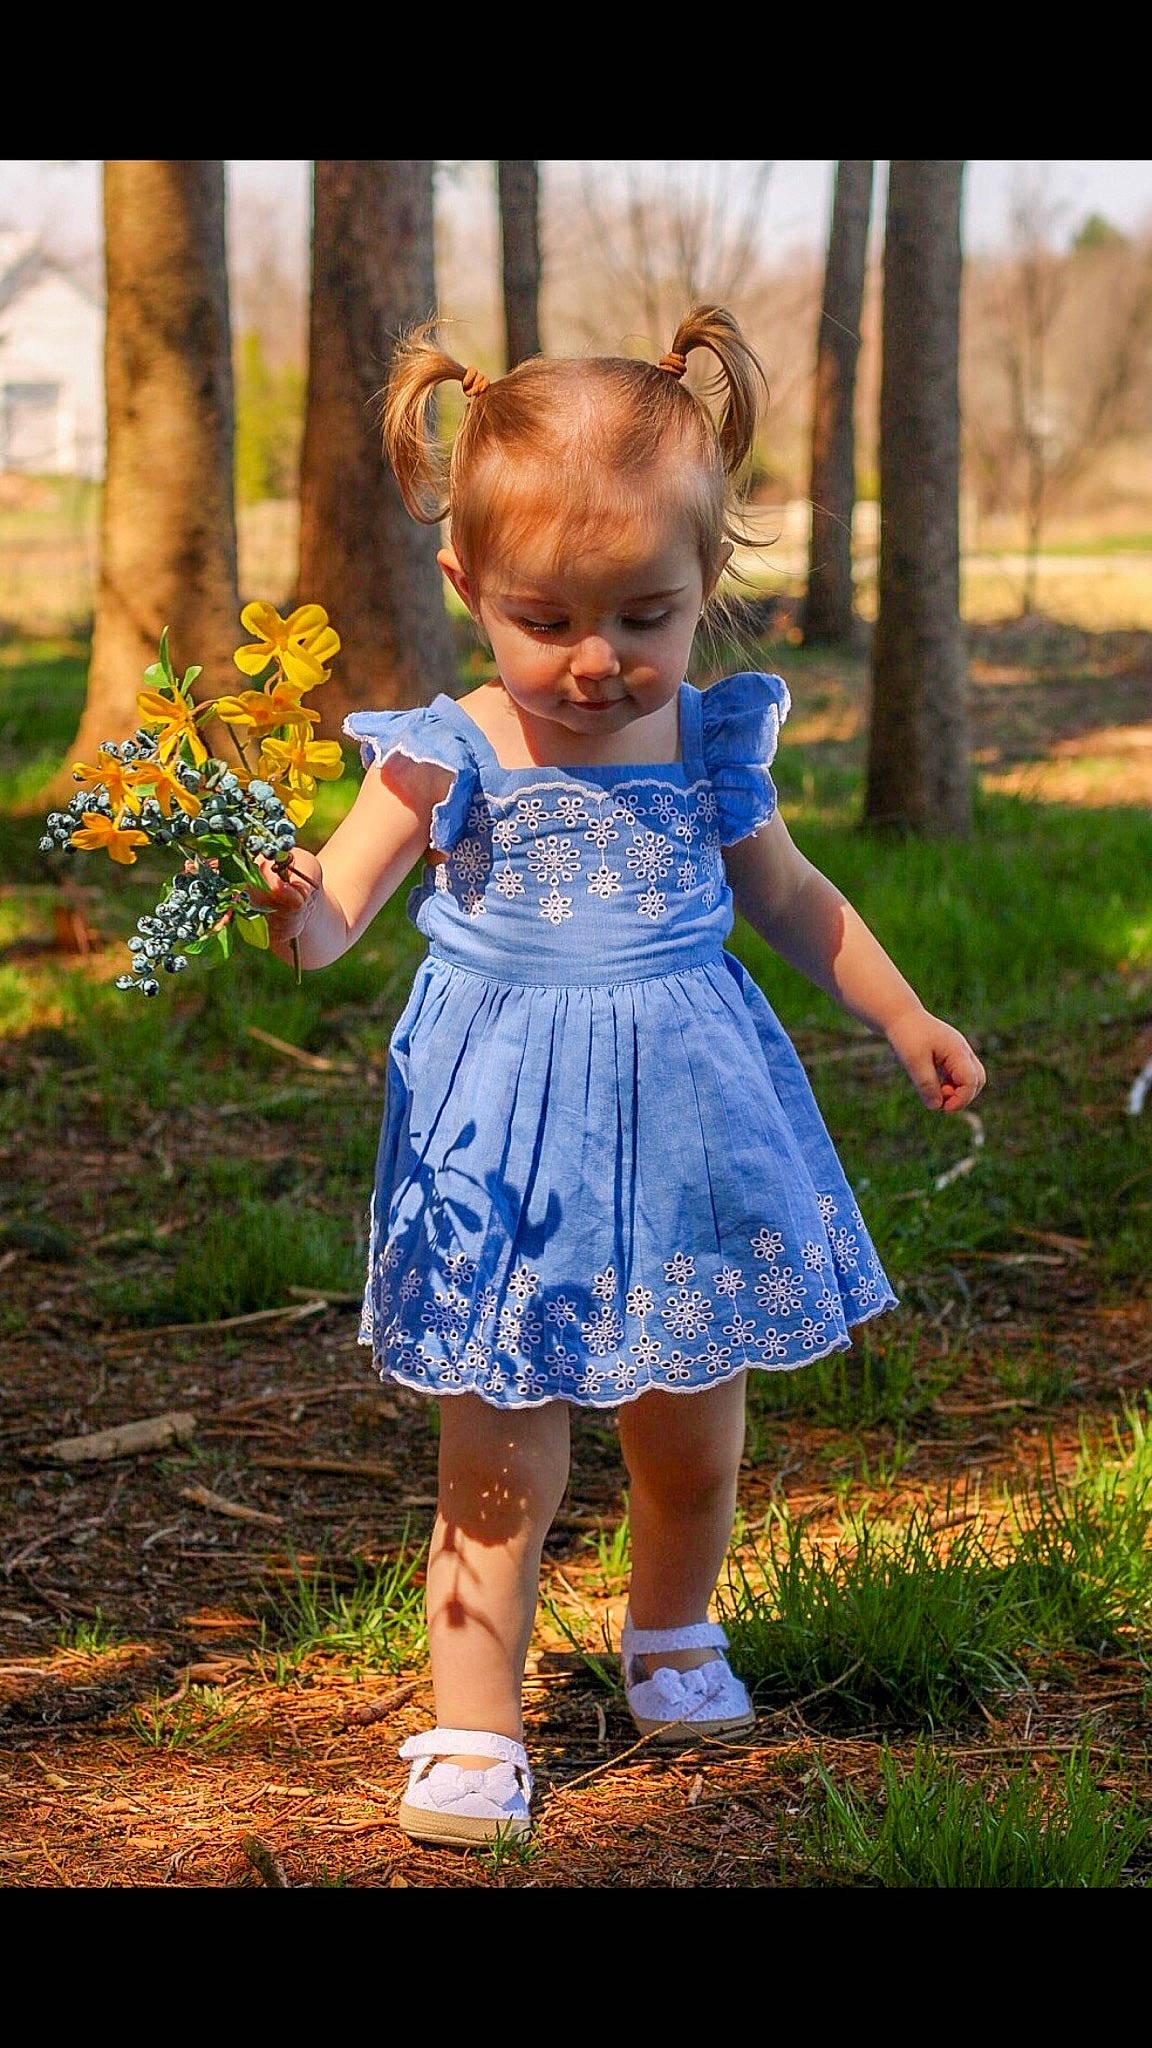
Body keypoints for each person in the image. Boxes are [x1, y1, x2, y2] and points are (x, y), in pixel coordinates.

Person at [251, 305, 986, 1848]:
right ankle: (471, 1730)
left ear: (705, 590)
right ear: (466, 591)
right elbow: (333, 926)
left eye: (643, 618)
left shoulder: (704, 746)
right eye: (547, 620)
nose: (598, 661)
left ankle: (671, 1632)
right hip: (506, 1151)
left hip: (689, 1133)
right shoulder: (444, 749)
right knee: (500, 1444)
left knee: (688, 1430)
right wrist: (288, 902)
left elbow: (792, 898)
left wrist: (903, 1015)